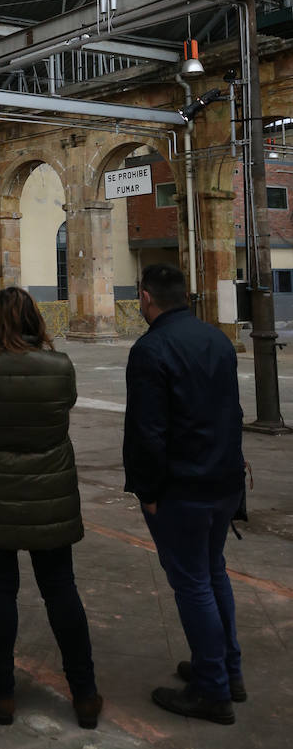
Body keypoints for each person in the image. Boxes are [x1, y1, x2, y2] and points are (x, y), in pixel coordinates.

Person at [0, 286, 101, 729]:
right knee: (61, 589)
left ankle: (2, 693)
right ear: (35, 321)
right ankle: (85, 694)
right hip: (49, 498)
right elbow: (65, 404)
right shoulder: (59, 366)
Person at [123, 263, 246, 725]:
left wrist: (149, 490)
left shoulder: (151, 349)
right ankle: (227, 670)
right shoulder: (217, 339)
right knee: (213, 573)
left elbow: (148, 432)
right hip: (224, 480)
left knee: (192, 583)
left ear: (147, 298)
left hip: (183, 487)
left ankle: (212, 690)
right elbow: (230, 411)